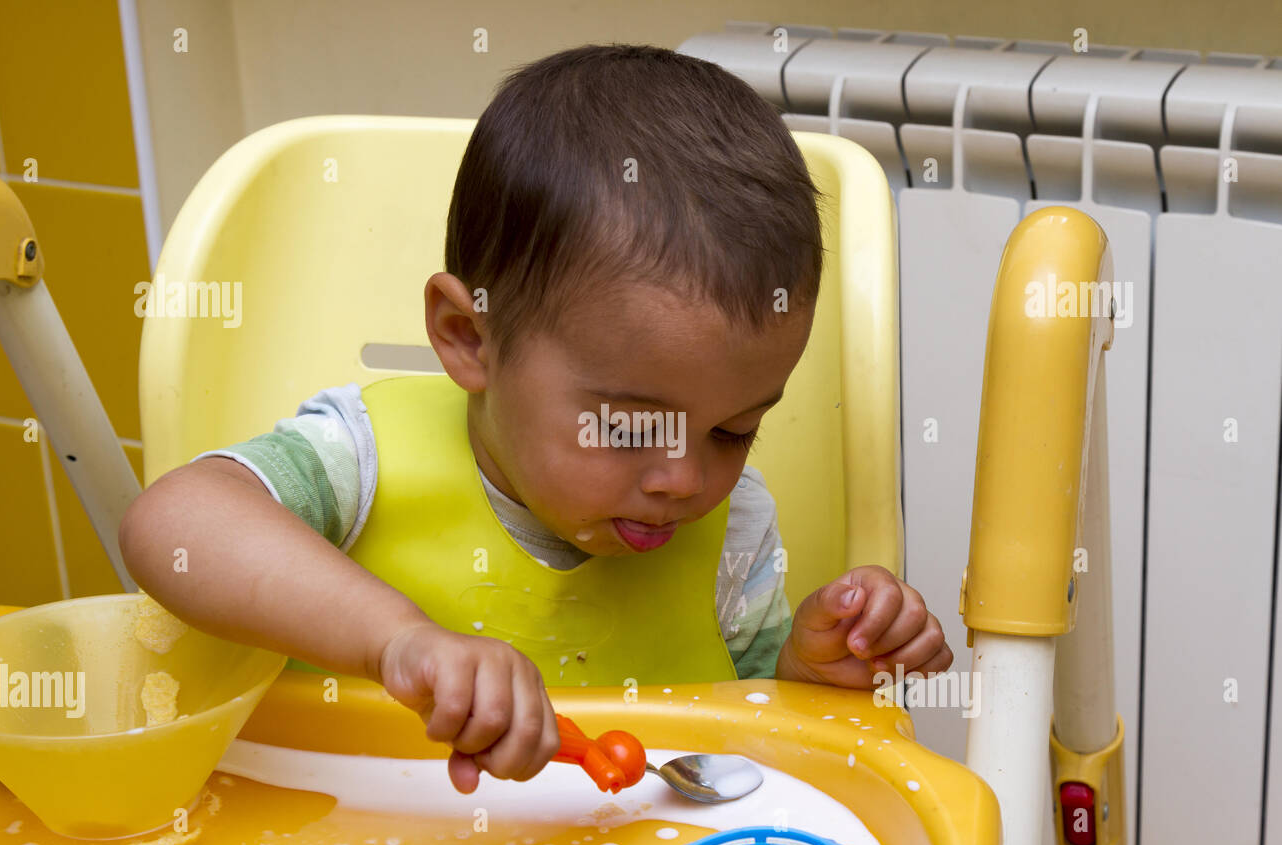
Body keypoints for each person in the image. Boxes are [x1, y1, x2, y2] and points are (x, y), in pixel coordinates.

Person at [120, 43, 952, 796]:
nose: (686, 478)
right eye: (631, 427)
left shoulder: (734, 531)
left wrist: (816, 670)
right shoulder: (360, 461)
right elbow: (171, 524)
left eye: (735, 431)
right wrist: (396, 641)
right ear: (468, 337)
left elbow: (756, 750)